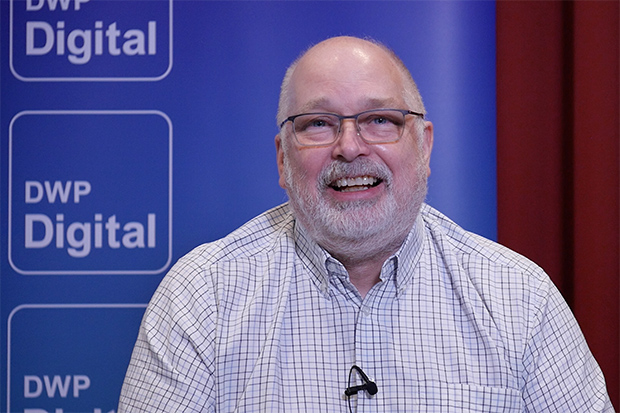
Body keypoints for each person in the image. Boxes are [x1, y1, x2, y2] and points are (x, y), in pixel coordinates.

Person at [118, 36, 614, 412]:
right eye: (318, 124)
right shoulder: (202, 296)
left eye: (381, 120)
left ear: (424, 146)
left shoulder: (518, 298)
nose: (350, 147)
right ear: (281, 160)